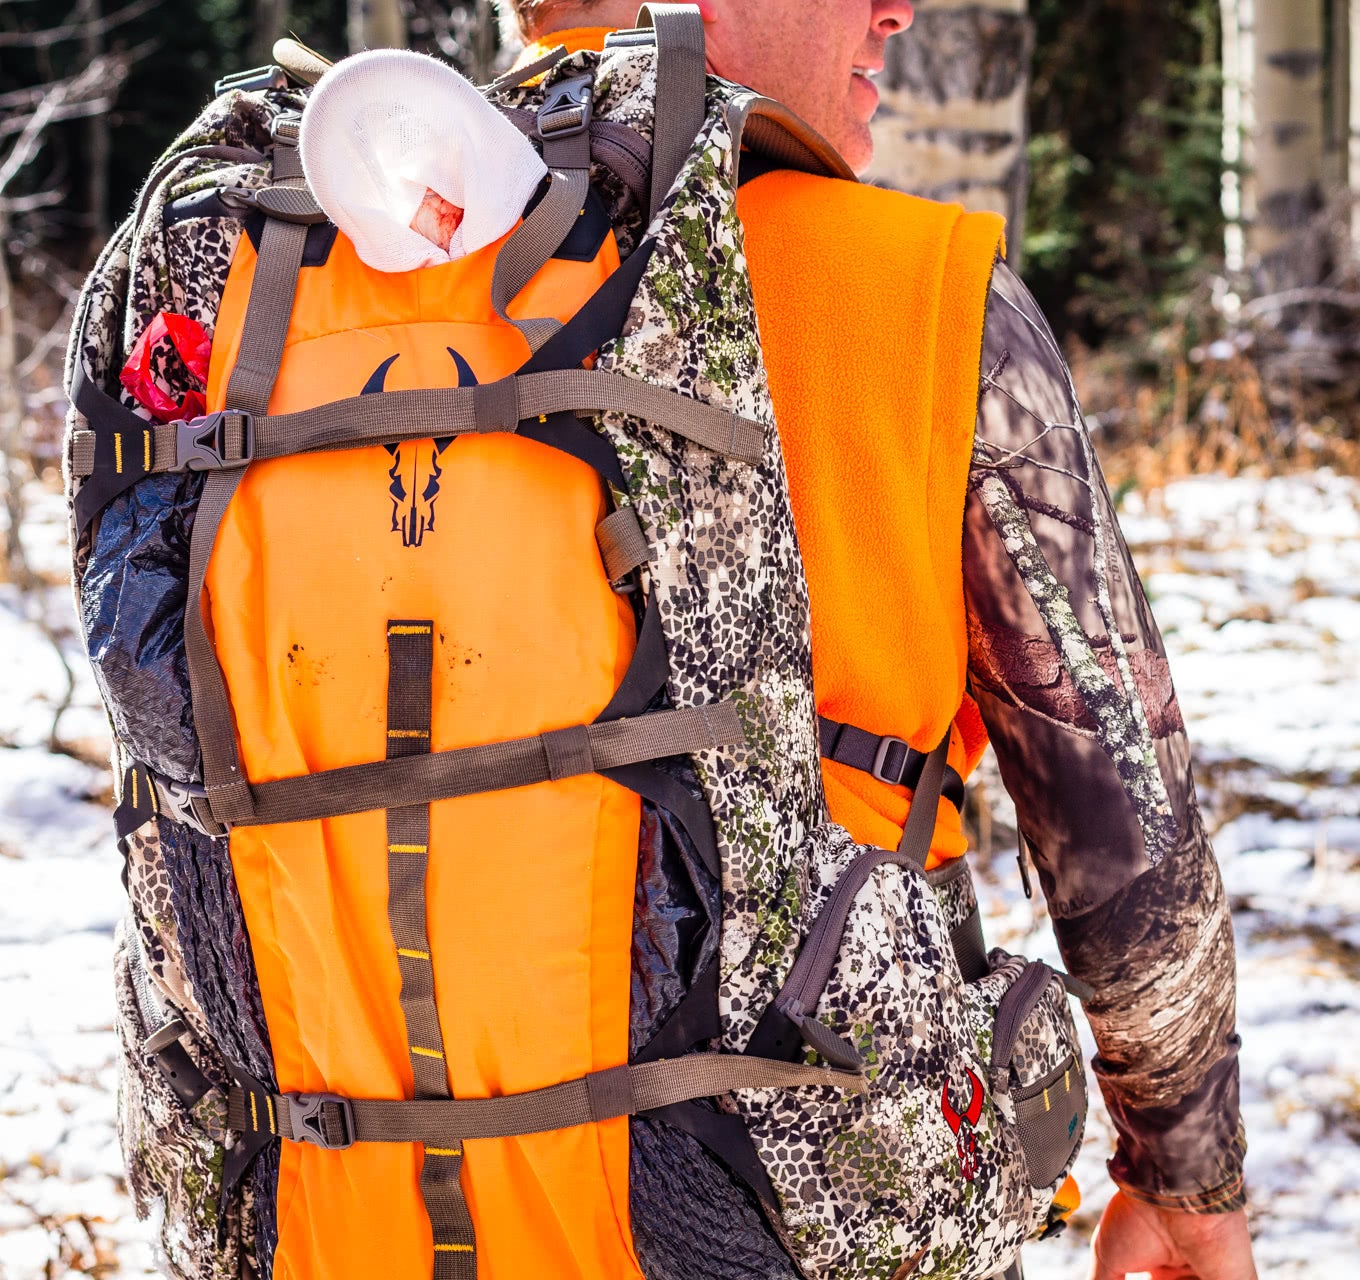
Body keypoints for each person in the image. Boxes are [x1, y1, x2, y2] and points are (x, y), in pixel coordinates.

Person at [503, 3, 1259, 1278]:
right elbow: (1122, 811)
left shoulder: (333, 284)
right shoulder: (918, 292)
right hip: (799, 1193)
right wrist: (1187, 1176)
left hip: (401, 1183)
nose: (896, 5)